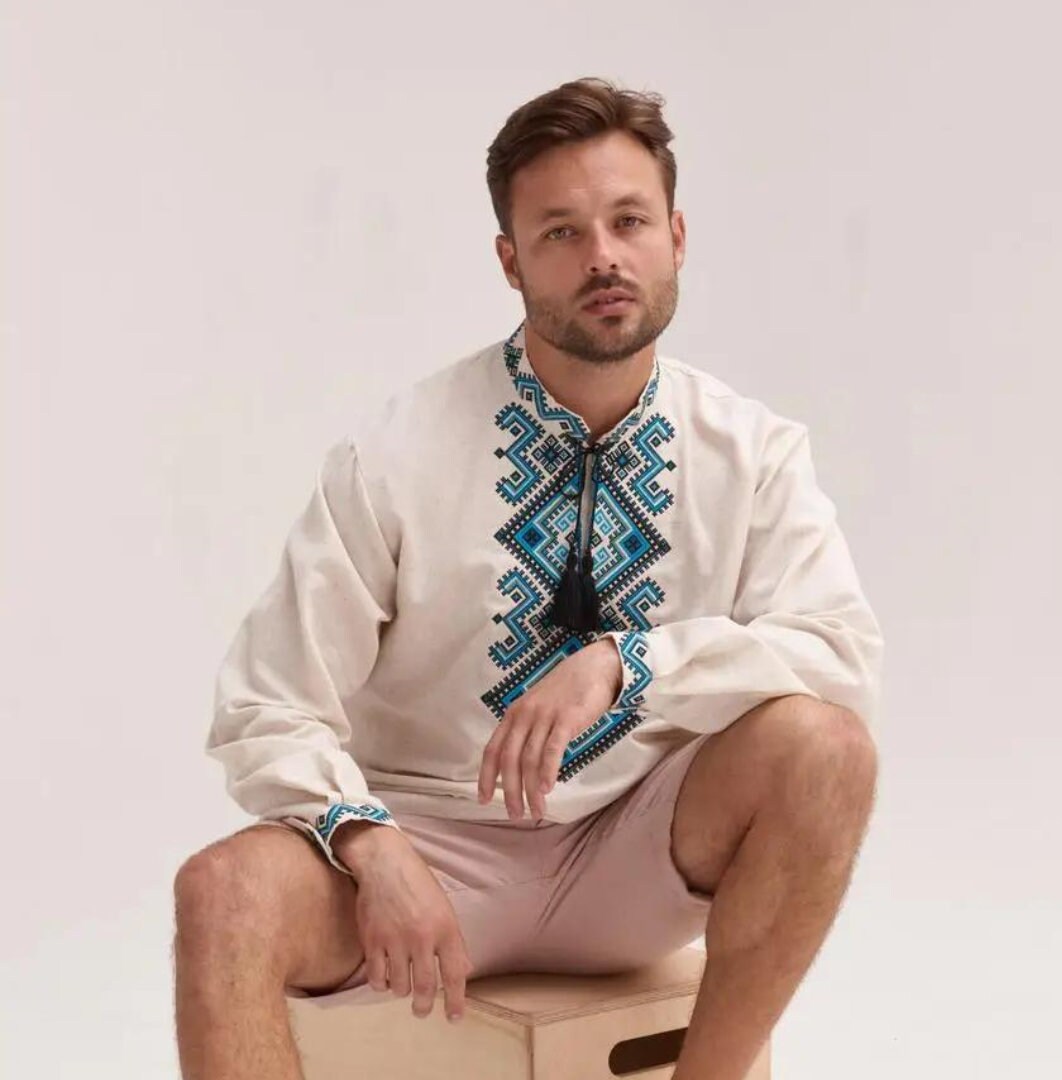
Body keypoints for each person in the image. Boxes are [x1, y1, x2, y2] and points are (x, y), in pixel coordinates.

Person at [173, 76, 883, 1080]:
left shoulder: (753, 452)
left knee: (826, 748)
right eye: (560, 232)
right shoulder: (397, 454)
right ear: (510, 261)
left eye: (628, 221)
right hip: (431, 855)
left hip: (639, 854)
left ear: (676, 236)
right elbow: (265, 704)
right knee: (220, 894)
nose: (602, 255)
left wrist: (626, 666)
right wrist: (372, 849)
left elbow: (841, 656)